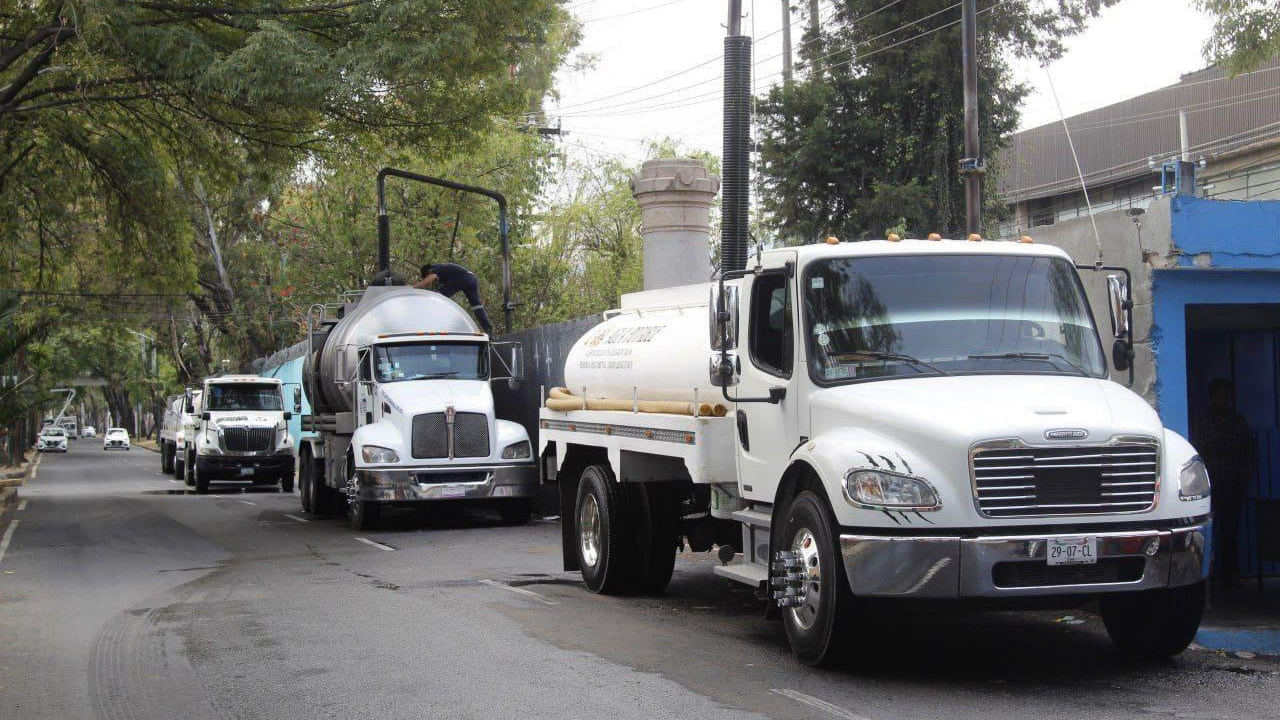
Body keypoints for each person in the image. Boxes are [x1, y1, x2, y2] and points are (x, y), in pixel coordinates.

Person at [1191, 377, 1255, 586]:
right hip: (1214, 482)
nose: (1224, 401)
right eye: (1220, 397)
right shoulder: (1205, 421)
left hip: (1234, 481)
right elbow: (1201, 446)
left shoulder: (1238, 420)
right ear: (1212, 399)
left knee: (1231, 529)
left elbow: (1248, 446)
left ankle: (1230, 572)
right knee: (1206, 529)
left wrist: (1246, 471)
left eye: (1227, 397)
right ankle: (1206, 575)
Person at [414, 262, 494, 333]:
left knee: (438, 297)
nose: (430, 282)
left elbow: (432, 277)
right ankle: (488, 329)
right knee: (476, 306)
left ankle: (436, 324)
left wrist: (414, 287)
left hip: (463, 278)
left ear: (428, 272)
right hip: (472, 278)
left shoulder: (435, 268)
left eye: (426, 277)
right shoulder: (443, 271)